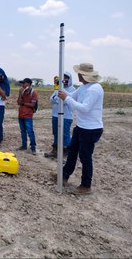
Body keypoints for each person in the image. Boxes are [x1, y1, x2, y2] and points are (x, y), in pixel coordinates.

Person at [56, 63, 104, 195]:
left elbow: (84, 108)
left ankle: (86, 185)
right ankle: (64, 176)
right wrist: (60, 90)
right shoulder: (84, 87)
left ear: (83, 75)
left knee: (85, 157)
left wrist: (66, 98)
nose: (77, 75)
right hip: (81, 127)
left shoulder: (94, 89)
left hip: (91, 129)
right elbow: (71, 96)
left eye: (79, 73)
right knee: (72, 151)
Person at [45, 72, 76, 158]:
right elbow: (52, 99)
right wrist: (58, 97)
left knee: (65, 134)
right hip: (55, 114)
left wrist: (59, 97)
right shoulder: (57, 88)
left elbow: (65, 101)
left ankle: (66, 152)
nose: (64, 80)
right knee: (56, 133)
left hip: (66, 116)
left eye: (66, 78)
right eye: (63, 78)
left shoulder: (72, 89)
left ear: (69, 79)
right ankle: (55, 150)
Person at [17, 78, 38, 154]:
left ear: (28, 84)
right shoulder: (22, 92)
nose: (22, 85)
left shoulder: (33, 93)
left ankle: (33, 147)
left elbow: (32, 104)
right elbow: (18, 102)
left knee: (30, 131)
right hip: (21, 115)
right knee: (23, 131)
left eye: (24, 83)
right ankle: (24, 145)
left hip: (28, 116)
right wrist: (20, 93)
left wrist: (23, 103)